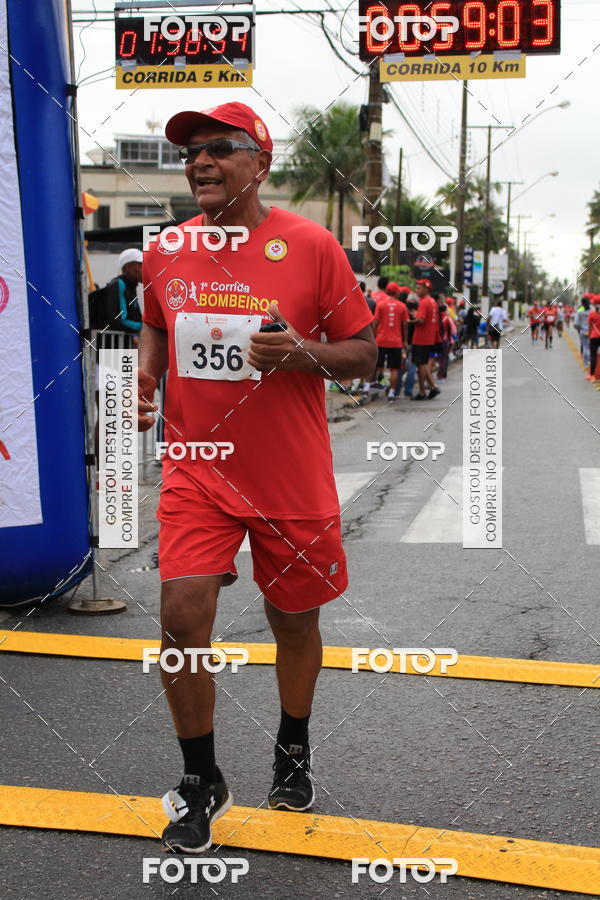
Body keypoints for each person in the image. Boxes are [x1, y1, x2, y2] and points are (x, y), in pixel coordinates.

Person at [137, 101, 376, 853]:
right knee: (180, 617)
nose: (199, 162)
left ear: (259, 163)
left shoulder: (312, 247)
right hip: (197, 469)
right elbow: (155, 319)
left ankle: (294, 743)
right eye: (191, 152)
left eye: (218, 149)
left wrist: (303, 352)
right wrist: (146, 378)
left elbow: (364, 354)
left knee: (294, 619)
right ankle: (201, 779)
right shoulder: (166, 249)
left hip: (288, 475)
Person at [372, 282, 409, 401]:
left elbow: (375, 322)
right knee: (394, 369)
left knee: (375, 365)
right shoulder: (402, 306)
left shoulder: (380, 304)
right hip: (396, 342)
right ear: (397, 292)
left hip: (380, 340)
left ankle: (366, 387)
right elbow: (405, 325)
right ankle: (392, 393)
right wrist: (405, 341)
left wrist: (372, 336)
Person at [410, 278, 440, 400]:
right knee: (423, 364)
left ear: (426, 289)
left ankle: (423, 391)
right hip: (428, 338)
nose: (416, 290)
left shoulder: (424, 302)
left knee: (421, 365)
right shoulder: (433, 302)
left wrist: (409, 321)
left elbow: (421, 320)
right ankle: (432, 386)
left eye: (419, 288)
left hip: (420, 339)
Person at [105, 248, 143, 340]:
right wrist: (145, 327)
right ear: (129, 268)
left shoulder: (131, 286)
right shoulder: (119, 284)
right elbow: (120, 321)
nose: (145, 269)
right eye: (141, 265)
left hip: (123, 346)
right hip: (113, 349)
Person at [575, 296, 591, 366]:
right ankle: (591, 359)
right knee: (591, 346)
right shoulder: (592, 312)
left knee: (585, 346)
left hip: (583, 331)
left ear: (582, 303)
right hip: (591, 332)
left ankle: (586, 362)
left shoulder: (580, 312)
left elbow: (576, 324)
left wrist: (579, 328)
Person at [587, 296, 600, 380]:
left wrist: (589, 336)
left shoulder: (592, 314)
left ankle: (592, 375)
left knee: (593, 356)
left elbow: (590, 327)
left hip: (594, 337)